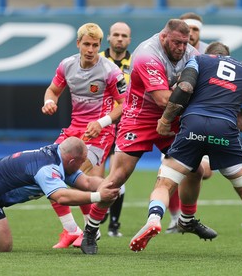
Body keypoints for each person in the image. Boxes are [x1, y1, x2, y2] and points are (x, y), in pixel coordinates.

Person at [129, 42, 242, 259]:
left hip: (193, 125)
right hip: (225, 129)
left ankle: (154, 219)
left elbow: (185, 88)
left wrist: (166, 119)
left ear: (209, 54)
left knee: (165, 183)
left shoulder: (199, 60)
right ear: (228, 56)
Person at [80, 19, 217, 255]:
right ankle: (90, 230)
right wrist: (187, 89)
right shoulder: (147, 54)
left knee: (195, 169)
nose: (181, 48)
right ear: (164, 37)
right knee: (117, 179)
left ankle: (186, 218)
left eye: (185, 43)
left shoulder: (191, 53)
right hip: (139, 118)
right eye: (176, 42)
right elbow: (164, 99)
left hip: (172, 119)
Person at [41, 23, 127, 248]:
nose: (90, 49)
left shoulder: (110, 70)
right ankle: (71, 230)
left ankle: (91, 229)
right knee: (47, 171)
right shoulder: (67, 65)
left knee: (76, 174)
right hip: (74, 129)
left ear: (100, 45)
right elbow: (53, 90)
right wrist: (50, 101)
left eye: (95, 45)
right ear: (78, 43)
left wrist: (102, 122)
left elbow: (124, 104)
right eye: (86, 44)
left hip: (101, 131)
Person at [0, 137, 120, 252]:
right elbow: (61, 197)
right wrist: (99, 197)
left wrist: (108, 185)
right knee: (1, 246)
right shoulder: (47, 168)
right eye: (81, 162)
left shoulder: (59, 156)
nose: (82, 166)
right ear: (72, 161)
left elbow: (86, 182)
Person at [165, 12, 212, 234]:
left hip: (199, 120)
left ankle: (184, 215)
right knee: (172, 170)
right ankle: (177, 219)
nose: (192, 34)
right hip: (175, 120)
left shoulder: (208, 53)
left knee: (203, 171)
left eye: (195, 31)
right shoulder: (169, 51)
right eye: (188, 30)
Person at [97, 21, 132, 237]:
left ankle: (114, 225)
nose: (119, 38)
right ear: (108, 38)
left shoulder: (137, 63)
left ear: (129, 40)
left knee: (118, 175)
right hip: (99, 125)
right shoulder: (96, 59)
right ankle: (99, 215)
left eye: (124, 35)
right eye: (116, 35)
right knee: (96, 177)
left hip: (125, 126)